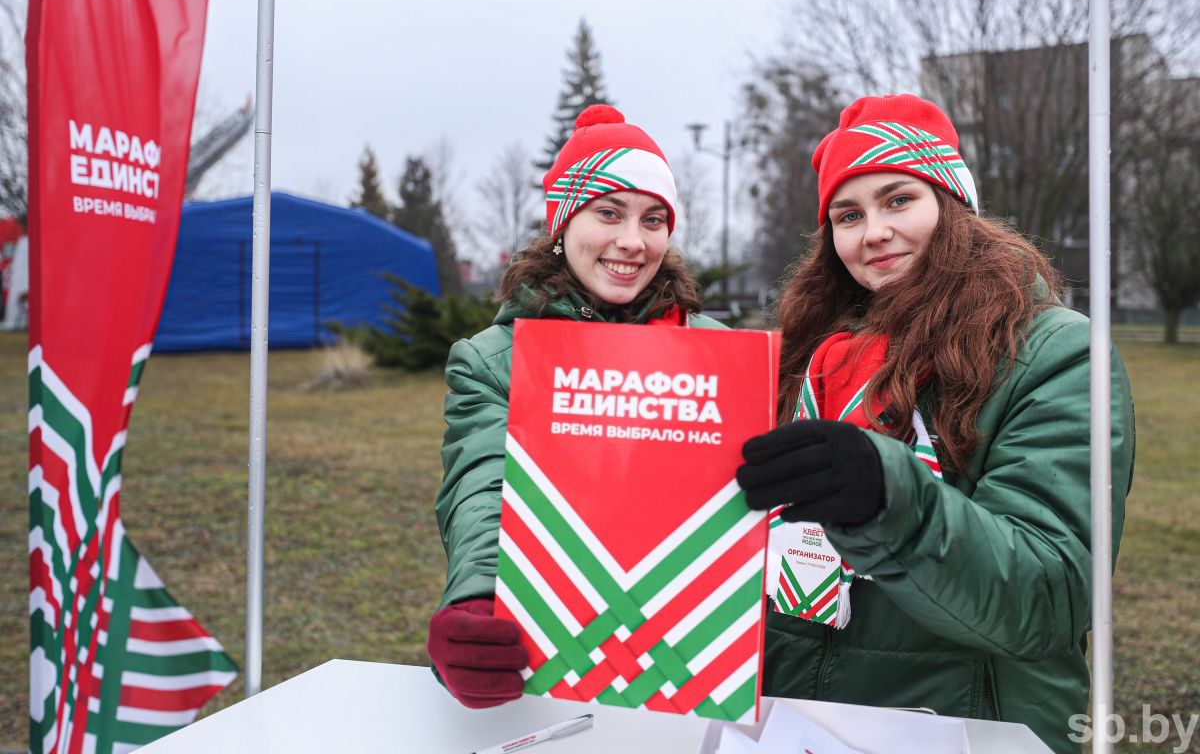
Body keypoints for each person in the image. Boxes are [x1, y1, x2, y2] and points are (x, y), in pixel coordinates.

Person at [735, 94, 1134, 754]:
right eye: (848, 215)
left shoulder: (1055, 351)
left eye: (899, 200)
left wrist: (891, 502)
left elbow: (1050, 594)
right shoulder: (802, 356)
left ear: (954, 207)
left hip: (968, 725)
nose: (873, 232)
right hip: (789, 722)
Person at [428, 105, 725, 709]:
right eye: (608, 212)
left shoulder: (717, 350)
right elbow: (485, 485)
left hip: (698, 648)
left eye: (654, 219)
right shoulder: (494, 360)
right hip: (559, 646)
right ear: (562, 222)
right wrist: (479, 597)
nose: (632, 241)